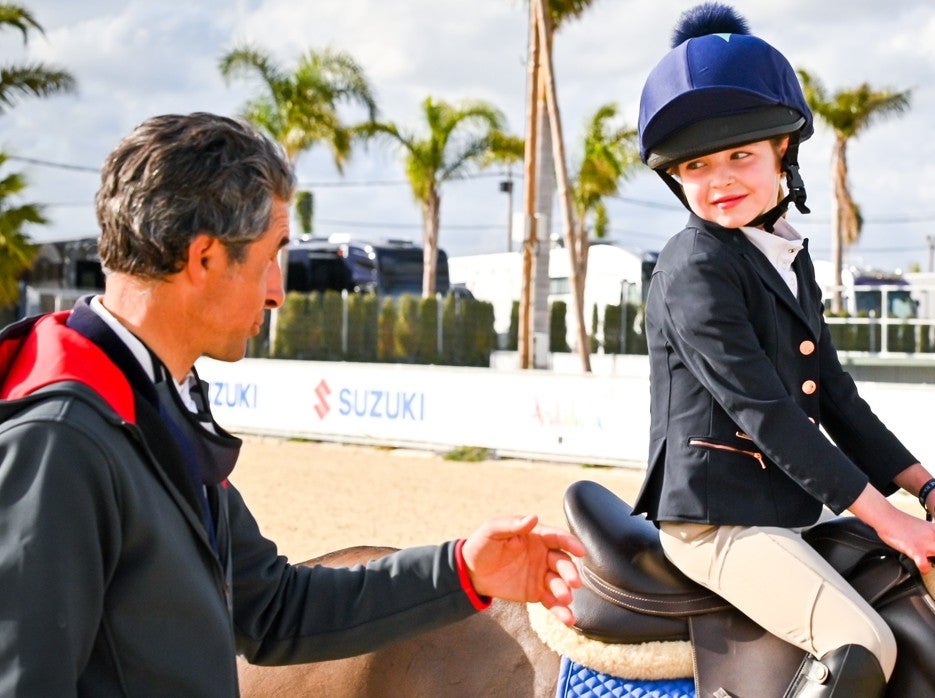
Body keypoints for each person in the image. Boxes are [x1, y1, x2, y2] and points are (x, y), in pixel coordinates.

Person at [0, 112, 584, 695]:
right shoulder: (60, 438)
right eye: (270, 257)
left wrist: (464, 571)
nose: (278, 291)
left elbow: (272, 608)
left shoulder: (149, 401)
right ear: (204, 259)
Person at [630, 5, 935, 696]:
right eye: (697, 165)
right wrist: (888, 520)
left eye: (740, 156)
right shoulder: (694, 267)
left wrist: (928, 489)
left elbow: (836, 397)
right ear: (675, 176)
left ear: (783, 149)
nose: (720, 179)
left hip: (783, 510)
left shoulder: (784, 255)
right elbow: (769, 415)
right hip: (715, 523)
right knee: (861, 643)